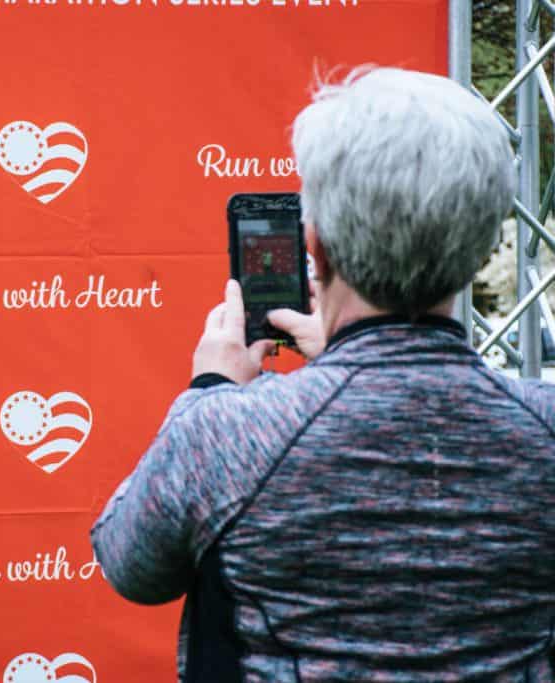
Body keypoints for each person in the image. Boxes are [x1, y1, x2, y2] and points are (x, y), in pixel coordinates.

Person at [90, 67, 555, 681]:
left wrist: (209, 391)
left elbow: (131, 566)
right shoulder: (543, 429)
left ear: (316, 244)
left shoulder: (227, 434)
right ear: (480, 246)